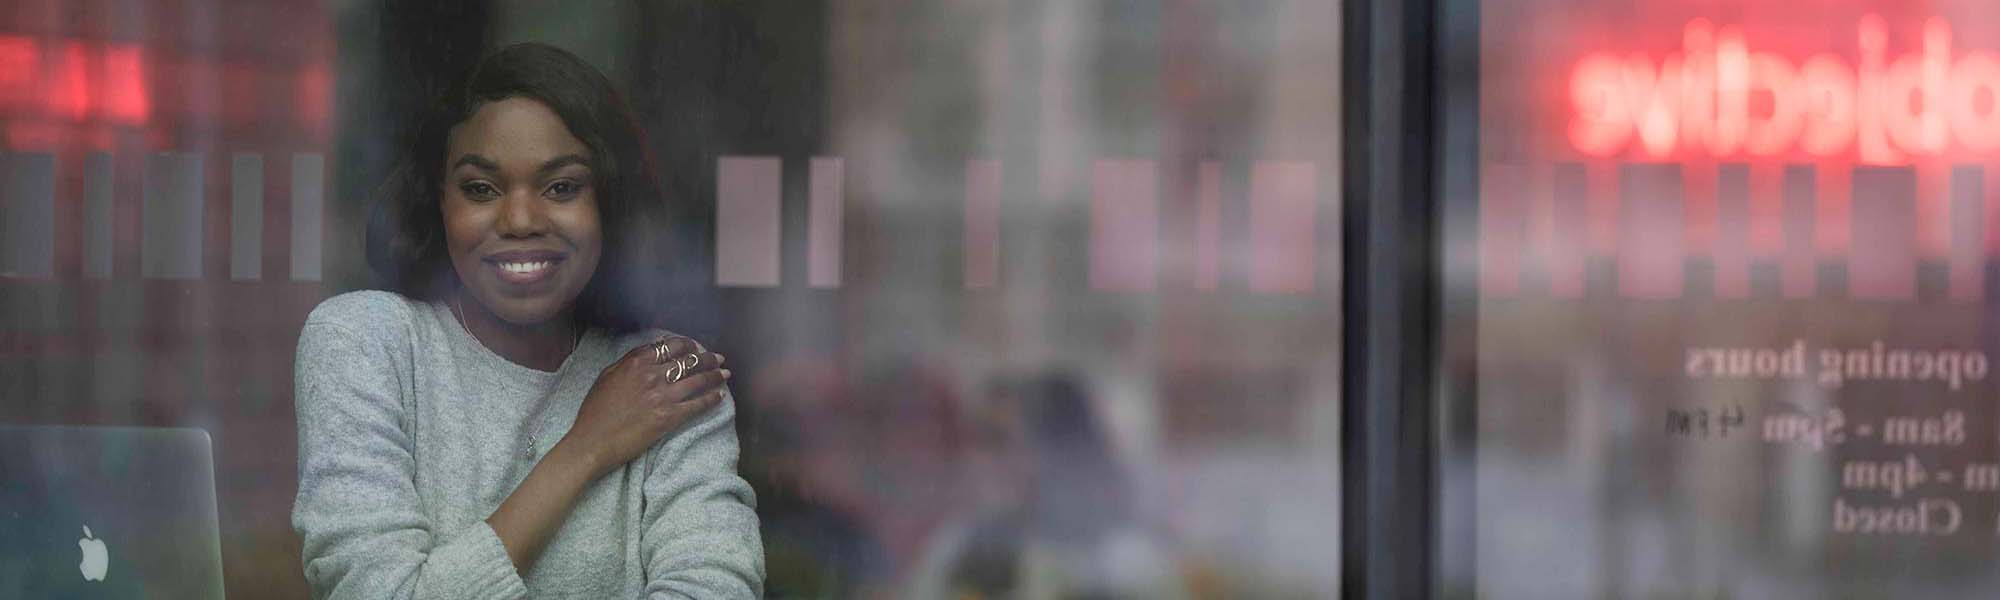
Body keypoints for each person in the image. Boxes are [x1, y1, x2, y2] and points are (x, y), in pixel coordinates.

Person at [291, 43, 762, 598]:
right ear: (439, 202)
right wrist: (586, 447)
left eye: (561, 187)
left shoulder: (665, 378)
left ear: (606, 203)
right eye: (480, 189)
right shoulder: (366, 344)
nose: (519, 219)